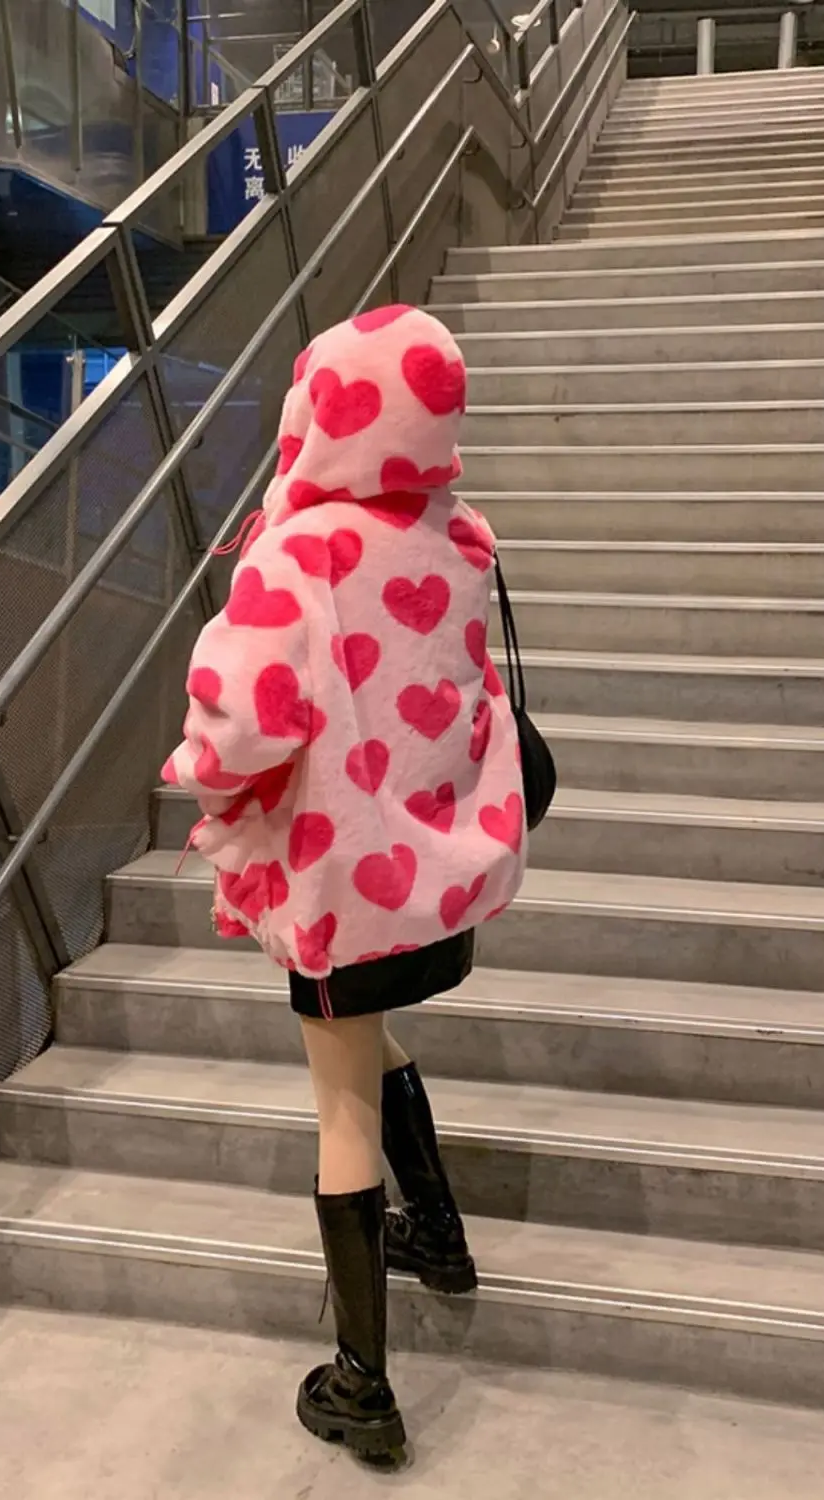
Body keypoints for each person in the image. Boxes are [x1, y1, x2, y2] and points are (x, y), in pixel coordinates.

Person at [162, 304, 527, 1465]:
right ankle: (440, 1238)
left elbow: (244, 723)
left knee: (341, 1108)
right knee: (370, 1043)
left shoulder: (298, 550)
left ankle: (363, 1382)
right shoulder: (462, 539)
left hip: (336, 887)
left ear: (318, 408)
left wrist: (198, 774)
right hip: (430, 878)